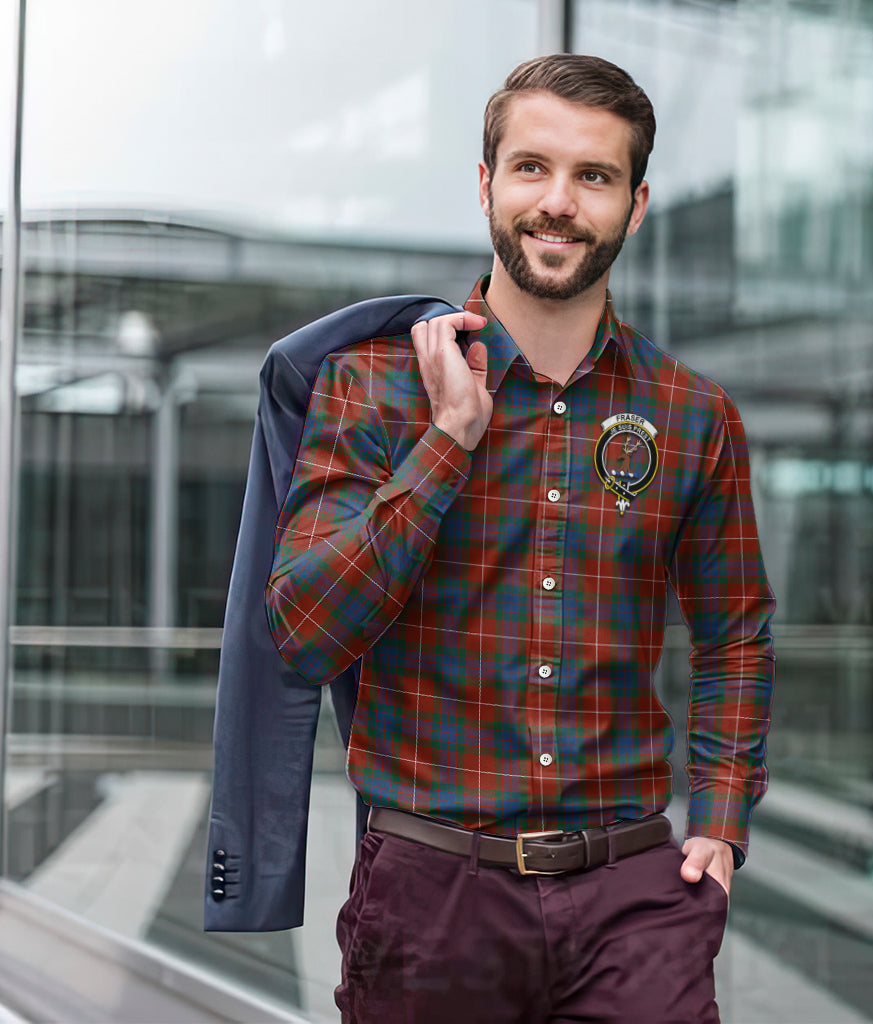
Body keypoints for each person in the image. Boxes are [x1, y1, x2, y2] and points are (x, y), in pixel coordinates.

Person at [266, 53, 775, 1024]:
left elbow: (735, 632)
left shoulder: (693, 415)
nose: (559, 202)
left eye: (594, 176)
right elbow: (303, 634)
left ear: (635, 203)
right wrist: (449, 439)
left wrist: (717, 818)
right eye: (532, 167)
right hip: (431, 897)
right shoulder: (371, 387)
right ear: (486, 182)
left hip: (633, 896)